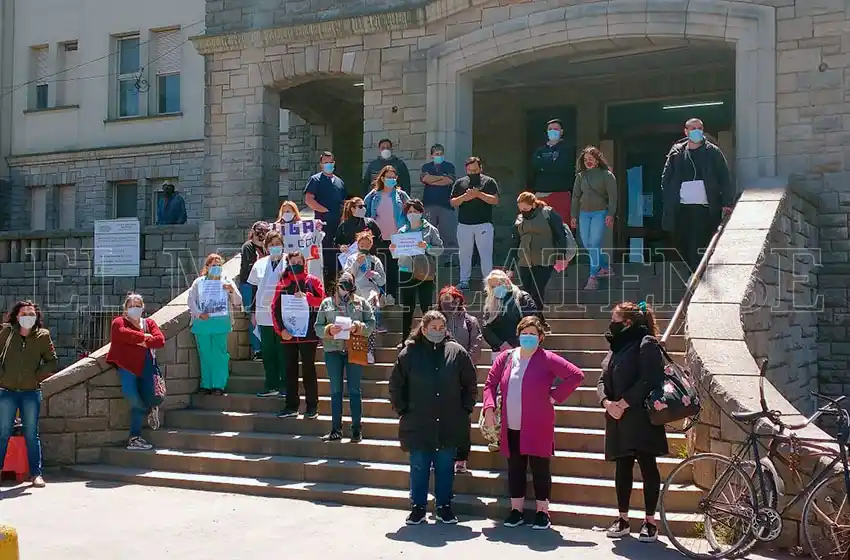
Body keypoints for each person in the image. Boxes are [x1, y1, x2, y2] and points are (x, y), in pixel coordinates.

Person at [482, 316, 585, 529]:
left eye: (532, 334)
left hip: (538, 423)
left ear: (540, 337)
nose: (528, 337)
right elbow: (490, 384)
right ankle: (516, 510)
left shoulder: (547, 358)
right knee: (515, 467)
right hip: (511, 423)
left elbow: (576, 375)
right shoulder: (506, 357)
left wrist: (556, 396)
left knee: (540, 468)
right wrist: (489, 407)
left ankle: (542, 512)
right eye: (524, 333)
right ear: (518, 335)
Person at [389, 310, 478, 525]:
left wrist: (465, 409)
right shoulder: (409, 353)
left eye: (441, 328)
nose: (437, 332)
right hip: (418, 422)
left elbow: (470, 385)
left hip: (448, 422)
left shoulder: (457, 352)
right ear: (424, 329)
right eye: (432, 328)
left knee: (445, 468)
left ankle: (444, 506)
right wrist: (403, 410)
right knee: (419, 466)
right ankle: (418, 507)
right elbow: (396, 385)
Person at [597, 301, 668, 543]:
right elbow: (601, 379)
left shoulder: (646, 343)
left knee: (648, 467)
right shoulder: (616, 346)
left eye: (615, 319)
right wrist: (607, 403)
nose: (612, 324)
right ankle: (623, 518)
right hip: (617, 418)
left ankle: (650, 521)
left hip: (640, 418)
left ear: (627, 323)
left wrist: (623, 404)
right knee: (622, 468)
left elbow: (649, 379)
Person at [661, 118, 734, 273]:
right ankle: (694, 272)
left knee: (698, 243)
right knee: (682, 243)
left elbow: (724, 177)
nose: (696, 131)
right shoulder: (677, 153)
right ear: (686, 131)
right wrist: (669, 198)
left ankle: (696, 275)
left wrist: (727, 202)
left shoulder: (712, 152)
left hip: (704, 208)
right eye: (693, 128)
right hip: (681, 208)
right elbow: (666, 178)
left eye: (699, 128)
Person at [0, 300, 57, 487]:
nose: (27, 317)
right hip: (6, 391)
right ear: (17, 316)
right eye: (24, 314)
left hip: (30, 392)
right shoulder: (6, 333)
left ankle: (36, 474)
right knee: (3, 433)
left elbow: (51, 361)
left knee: (32, 434)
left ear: (37, 316)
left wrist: (36, 376)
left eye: (31, 314)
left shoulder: (43, 335)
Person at [314, 271, 376, 442]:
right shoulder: (327, 303)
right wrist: (328, 330)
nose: (344, 288)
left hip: (353, 349)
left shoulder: (361, 302)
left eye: (348, 284)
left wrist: (359, 327)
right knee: (335, 390)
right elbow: (317, 326)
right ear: (337, 284)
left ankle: (357, 429)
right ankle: (336, 429)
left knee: (355, 390)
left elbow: (371, 324)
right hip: (333, 350)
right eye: (342, 284)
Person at [106, 294, 166, 451]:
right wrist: (144, 338)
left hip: (146, 366)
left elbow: (160, 340)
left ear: (143, 307)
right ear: (126, 308)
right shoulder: (119, 321)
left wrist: (139, 340)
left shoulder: (149, 323)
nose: (135, 308)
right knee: (131, 395)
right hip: (127, 367)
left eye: (138, 305)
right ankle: (145, 411)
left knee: (151, 394)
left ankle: (135, 436)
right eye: (132, 305)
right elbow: (121, 333)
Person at [271, 251, 326, 419]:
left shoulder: (313, 281)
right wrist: (281, 330)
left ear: (304, 262)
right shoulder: (283, 283)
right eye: (292, 261)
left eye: (299, 261)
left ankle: (312, 406)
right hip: (288, 334)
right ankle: (291, 406)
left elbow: (324, 303)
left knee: (308, 369)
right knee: (289, 370)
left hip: (308, 334)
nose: (296, 264)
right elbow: (275, 308)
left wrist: (308, 297)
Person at [437, 286, 483, 474]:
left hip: (464, 376)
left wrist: (464, 365)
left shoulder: (470, 321)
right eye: (443, 300)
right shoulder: (435, 320)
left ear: (459, 300)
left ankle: (461, 458)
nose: (447, 303)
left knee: (462, 418)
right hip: (439, 374)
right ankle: (440, 455)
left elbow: (477, 344)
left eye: (451, 299)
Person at [187, 253, 243, 395]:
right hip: (203, 323)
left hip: (220, 323)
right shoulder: (199, 282)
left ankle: (219, 384)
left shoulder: (226, 281)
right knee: (205, 354)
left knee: (220, 354)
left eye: (219, 265)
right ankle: (206, 384)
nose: (217, 268)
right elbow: (190, 301)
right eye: (213, 265)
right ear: (207, 267)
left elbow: (238, 301)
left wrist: (230, 290)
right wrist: (199, 313)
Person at [513, 192, 569, 331]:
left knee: (537, 290)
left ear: (533, 204)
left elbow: (560, 234)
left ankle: (536, 321)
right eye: (521, 209)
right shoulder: (520, 219)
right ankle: (535, 321)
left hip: (544, 258)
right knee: (526, 292)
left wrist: (561, 255)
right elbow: (515, 240)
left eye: (526, 208)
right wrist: (510, 265)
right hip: (525, 260)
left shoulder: (547, 213)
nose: (523, 211)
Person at [391, 198, 443, 341]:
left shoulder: (431, 229)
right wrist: (393, 250)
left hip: (425, 271)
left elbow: (439, 250)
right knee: (408, 307)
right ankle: (405, 339)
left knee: (427, 305)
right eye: (409, 211)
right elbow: (397, 255)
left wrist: (427, 247)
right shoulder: (402, 230)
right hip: (406, 271)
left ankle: (430, 337)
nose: (412, 214)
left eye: (415, 211)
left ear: (421, 212)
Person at [571, 146, 618, 290]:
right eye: (585, 160)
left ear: (597, 160)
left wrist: (611, 214)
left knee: (594, 242)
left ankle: (593, 276)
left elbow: (613, 196)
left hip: (600, 212)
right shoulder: (580, 176)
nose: (588, 162)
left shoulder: (607, 175)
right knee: (587, 244)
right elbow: (575, 197)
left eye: (591, 159)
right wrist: (573, 215)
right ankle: (604, 266)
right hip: (584, 213)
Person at [247, 231, 287, 398]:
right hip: (264, 313)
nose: (275, 247)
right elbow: (255, 288)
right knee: (268, 351)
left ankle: (285, 385)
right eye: (271, 245)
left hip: (283, 313)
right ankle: (271, 384)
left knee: (283, 351)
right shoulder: (260, 264)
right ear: (267, 247)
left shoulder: (289, 261)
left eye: (278, 244)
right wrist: (253, 311)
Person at [450, 157, 500, 290]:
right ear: (466, 169)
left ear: (481, 168)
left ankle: (488, 283)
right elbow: (453, 202)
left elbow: (495, 200)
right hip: (464, 224)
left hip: (484, 224)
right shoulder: (460, 182)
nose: (473, 172)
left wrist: (478, 195)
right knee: (464, 254)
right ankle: (464, 281)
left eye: (476, 170)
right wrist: (464, 197)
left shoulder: (489, 181)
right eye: (470, 170)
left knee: (485, 254)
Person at [364, 165, 411, 304]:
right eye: (388, 177)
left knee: (394, 267)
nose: (391, 179)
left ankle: (392, 295)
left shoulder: (401, 195)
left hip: (396, 237)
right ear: (382, 178)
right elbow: (363, 208)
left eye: (393, 177)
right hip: (378, 237)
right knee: (379, 267)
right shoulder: (373, 195)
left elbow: (411, 209)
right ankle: (381, 295)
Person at [304, 151, 347, 287]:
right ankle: (328, 290)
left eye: (331, 162)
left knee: (339, 257)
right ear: (321, 164)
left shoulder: (340, 182)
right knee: (327, 259)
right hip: (324, 226)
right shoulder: (315, 180)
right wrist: (325, 210)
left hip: (339, 226)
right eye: (325, 162)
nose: (328, 164)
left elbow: (344, 201)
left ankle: (341, 288)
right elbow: (309, 200)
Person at [343, 230, 386, 362]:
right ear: (357, 244)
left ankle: (369, 350)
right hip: (355, 294)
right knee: (353, 322)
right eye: (362, 244)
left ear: (371, 245)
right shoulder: (351, 258)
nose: (364, 246)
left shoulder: (375, 260)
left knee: (369, 323)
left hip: (370, 294)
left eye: (367, 244)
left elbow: (382, 280)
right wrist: (356, 264)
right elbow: (346, 277)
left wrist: (373, 274)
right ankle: (352, 349)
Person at [529, 119, 574, 224]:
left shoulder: (566, 149)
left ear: (561, 132)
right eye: (550, 129)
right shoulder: (539, 150)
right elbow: (535, 166)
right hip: (541, 194)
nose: (552, 131)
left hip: (560, 194)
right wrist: (551, 163)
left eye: (556, 129)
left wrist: (544, 166)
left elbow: (562, 166)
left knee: (561, 226)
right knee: (542, 226)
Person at [480, 270, 537, 353]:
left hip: (522, 348)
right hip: (499, 350)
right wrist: (501, 344)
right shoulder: (490, 302)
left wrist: (516, 344)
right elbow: (486, 327)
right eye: (493, 286)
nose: (496, 288)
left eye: (498, 284)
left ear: (506, 282)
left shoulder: (522, 297)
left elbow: (532, 322)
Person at [420, 144, 457, 266]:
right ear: (432, 155)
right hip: (429, 204)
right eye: (436, 154)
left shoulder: (449, 166)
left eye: (441, 153)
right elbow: (425, 179)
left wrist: (433, 179)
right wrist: (441, 178)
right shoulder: (426, 166)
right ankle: (429, 258)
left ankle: (449, 259)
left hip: (446, 204)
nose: (439, 156)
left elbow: (449, 180)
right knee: (428, 233)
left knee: (448, 233)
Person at [239, 221, 270, 360]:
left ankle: (265, 347)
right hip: (249, 286)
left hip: (264, 286)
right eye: (259, 232)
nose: (261, 235)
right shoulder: (248, 247)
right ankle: (257, 350)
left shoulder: (267, 248)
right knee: (253, 317)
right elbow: (250, 267)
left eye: (264, 232)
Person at [275, 200, 324, 280]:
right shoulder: (277, 227)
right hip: (284, 264)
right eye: (284, 212)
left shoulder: (304, 226)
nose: (286, 214)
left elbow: (317, 237)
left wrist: (317, 227)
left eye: (288, 211)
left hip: (301, 264)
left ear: (294, 212)